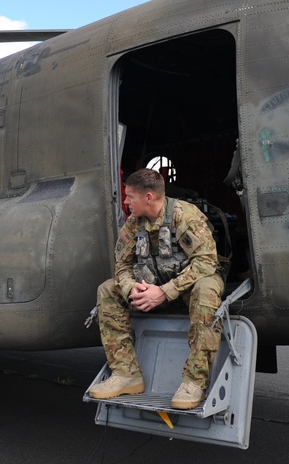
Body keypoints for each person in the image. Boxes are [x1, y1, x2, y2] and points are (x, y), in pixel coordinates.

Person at [88, 168, 224, 410]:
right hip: (152, 284)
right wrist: (133, 289)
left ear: (148, 197)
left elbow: (206, 261)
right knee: (108, 289)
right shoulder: (134, 224)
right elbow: (122, 266)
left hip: (187, 285)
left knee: (207, 289)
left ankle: (195, 380)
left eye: (130, 196)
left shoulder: (185, 216)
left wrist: (164, 292)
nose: (126, 202)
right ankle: (126, 373)